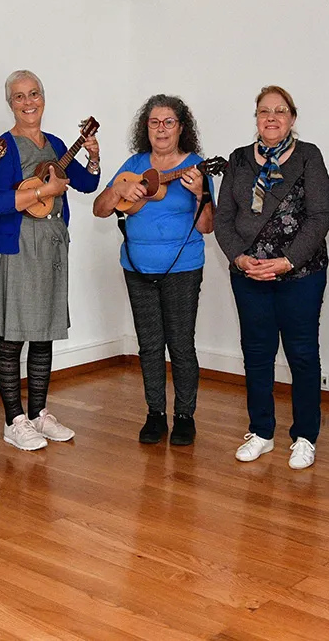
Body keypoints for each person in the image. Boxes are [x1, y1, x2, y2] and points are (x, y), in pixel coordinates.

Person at [214, 86, 329, 470]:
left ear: (292, 118)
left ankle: (305, 437)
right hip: (249, 274)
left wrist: (286, 261)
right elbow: (223, 217)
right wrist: (239, 257)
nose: (271, 117)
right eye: (264, 111)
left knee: (302, 355)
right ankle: (262, 432)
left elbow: (320, 217)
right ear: (256, 118)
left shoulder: (309, 156)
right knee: (257, 354)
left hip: (300, 274)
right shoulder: (237, 159)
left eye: (280, 111)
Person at [0, 70, 100, 451]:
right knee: (14, 332)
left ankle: (39, 414)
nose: (28, 102)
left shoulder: (56, 144)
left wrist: (94, 158)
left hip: (51, 245)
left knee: (44, 329)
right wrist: (43, 192)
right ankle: (13, 420)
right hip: (17, 244)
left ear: (44, 98)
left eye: (34, 94)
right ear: (10, 102)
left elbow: (86, 183)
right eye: (19, 96)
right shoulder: (3, 147)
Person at [93, 95, 214, 445]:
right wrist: (118, 188)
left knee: (180, 345)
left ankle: (185, 416)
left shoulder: (196, 166)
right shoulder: (134, 163)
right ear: (145, 128)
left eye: (169, 122)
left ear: (181, 127)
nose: (161, 129)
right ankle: (155, 415)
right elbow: (101, 210)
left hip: (182, 268)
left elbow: (207, 226)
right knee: (148, 346)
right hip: (136, 267)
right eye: (154, 122)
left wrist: (199, 193)